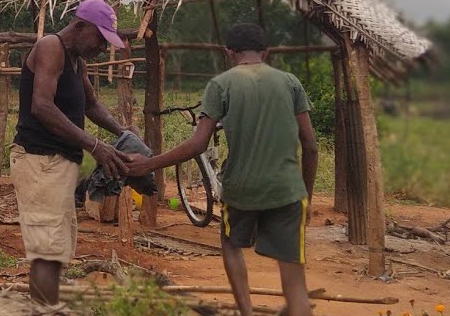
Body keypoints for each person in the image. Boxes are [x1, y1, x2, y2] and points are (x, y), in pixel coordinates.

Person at [125, 23, 319, 316]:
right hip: (288, 191)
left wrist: (148, 164)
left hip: (241, 189)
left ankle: (246, 312)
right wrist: (306, 194)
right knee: (294, 281)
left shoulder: (221, 85)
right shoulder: (291, 82)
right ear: (265, 52)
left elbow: (198, 144)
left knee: (230, 244)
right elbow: (311, 145)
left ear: (229, 53)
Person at [11, 0, 133, 305]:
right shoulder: (50, 48)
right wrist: (94, 145)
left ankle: (46, 308)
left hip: (58, 165)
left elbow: (90, 104)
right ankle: (44, 310)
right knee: (46, 254)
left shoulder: (77, 60)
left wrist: (122, 133)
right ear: (80, 27)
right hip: (40, 162)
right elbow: (41, 106)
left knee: (57, 251)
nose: (103, 49)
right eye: (101, 40)